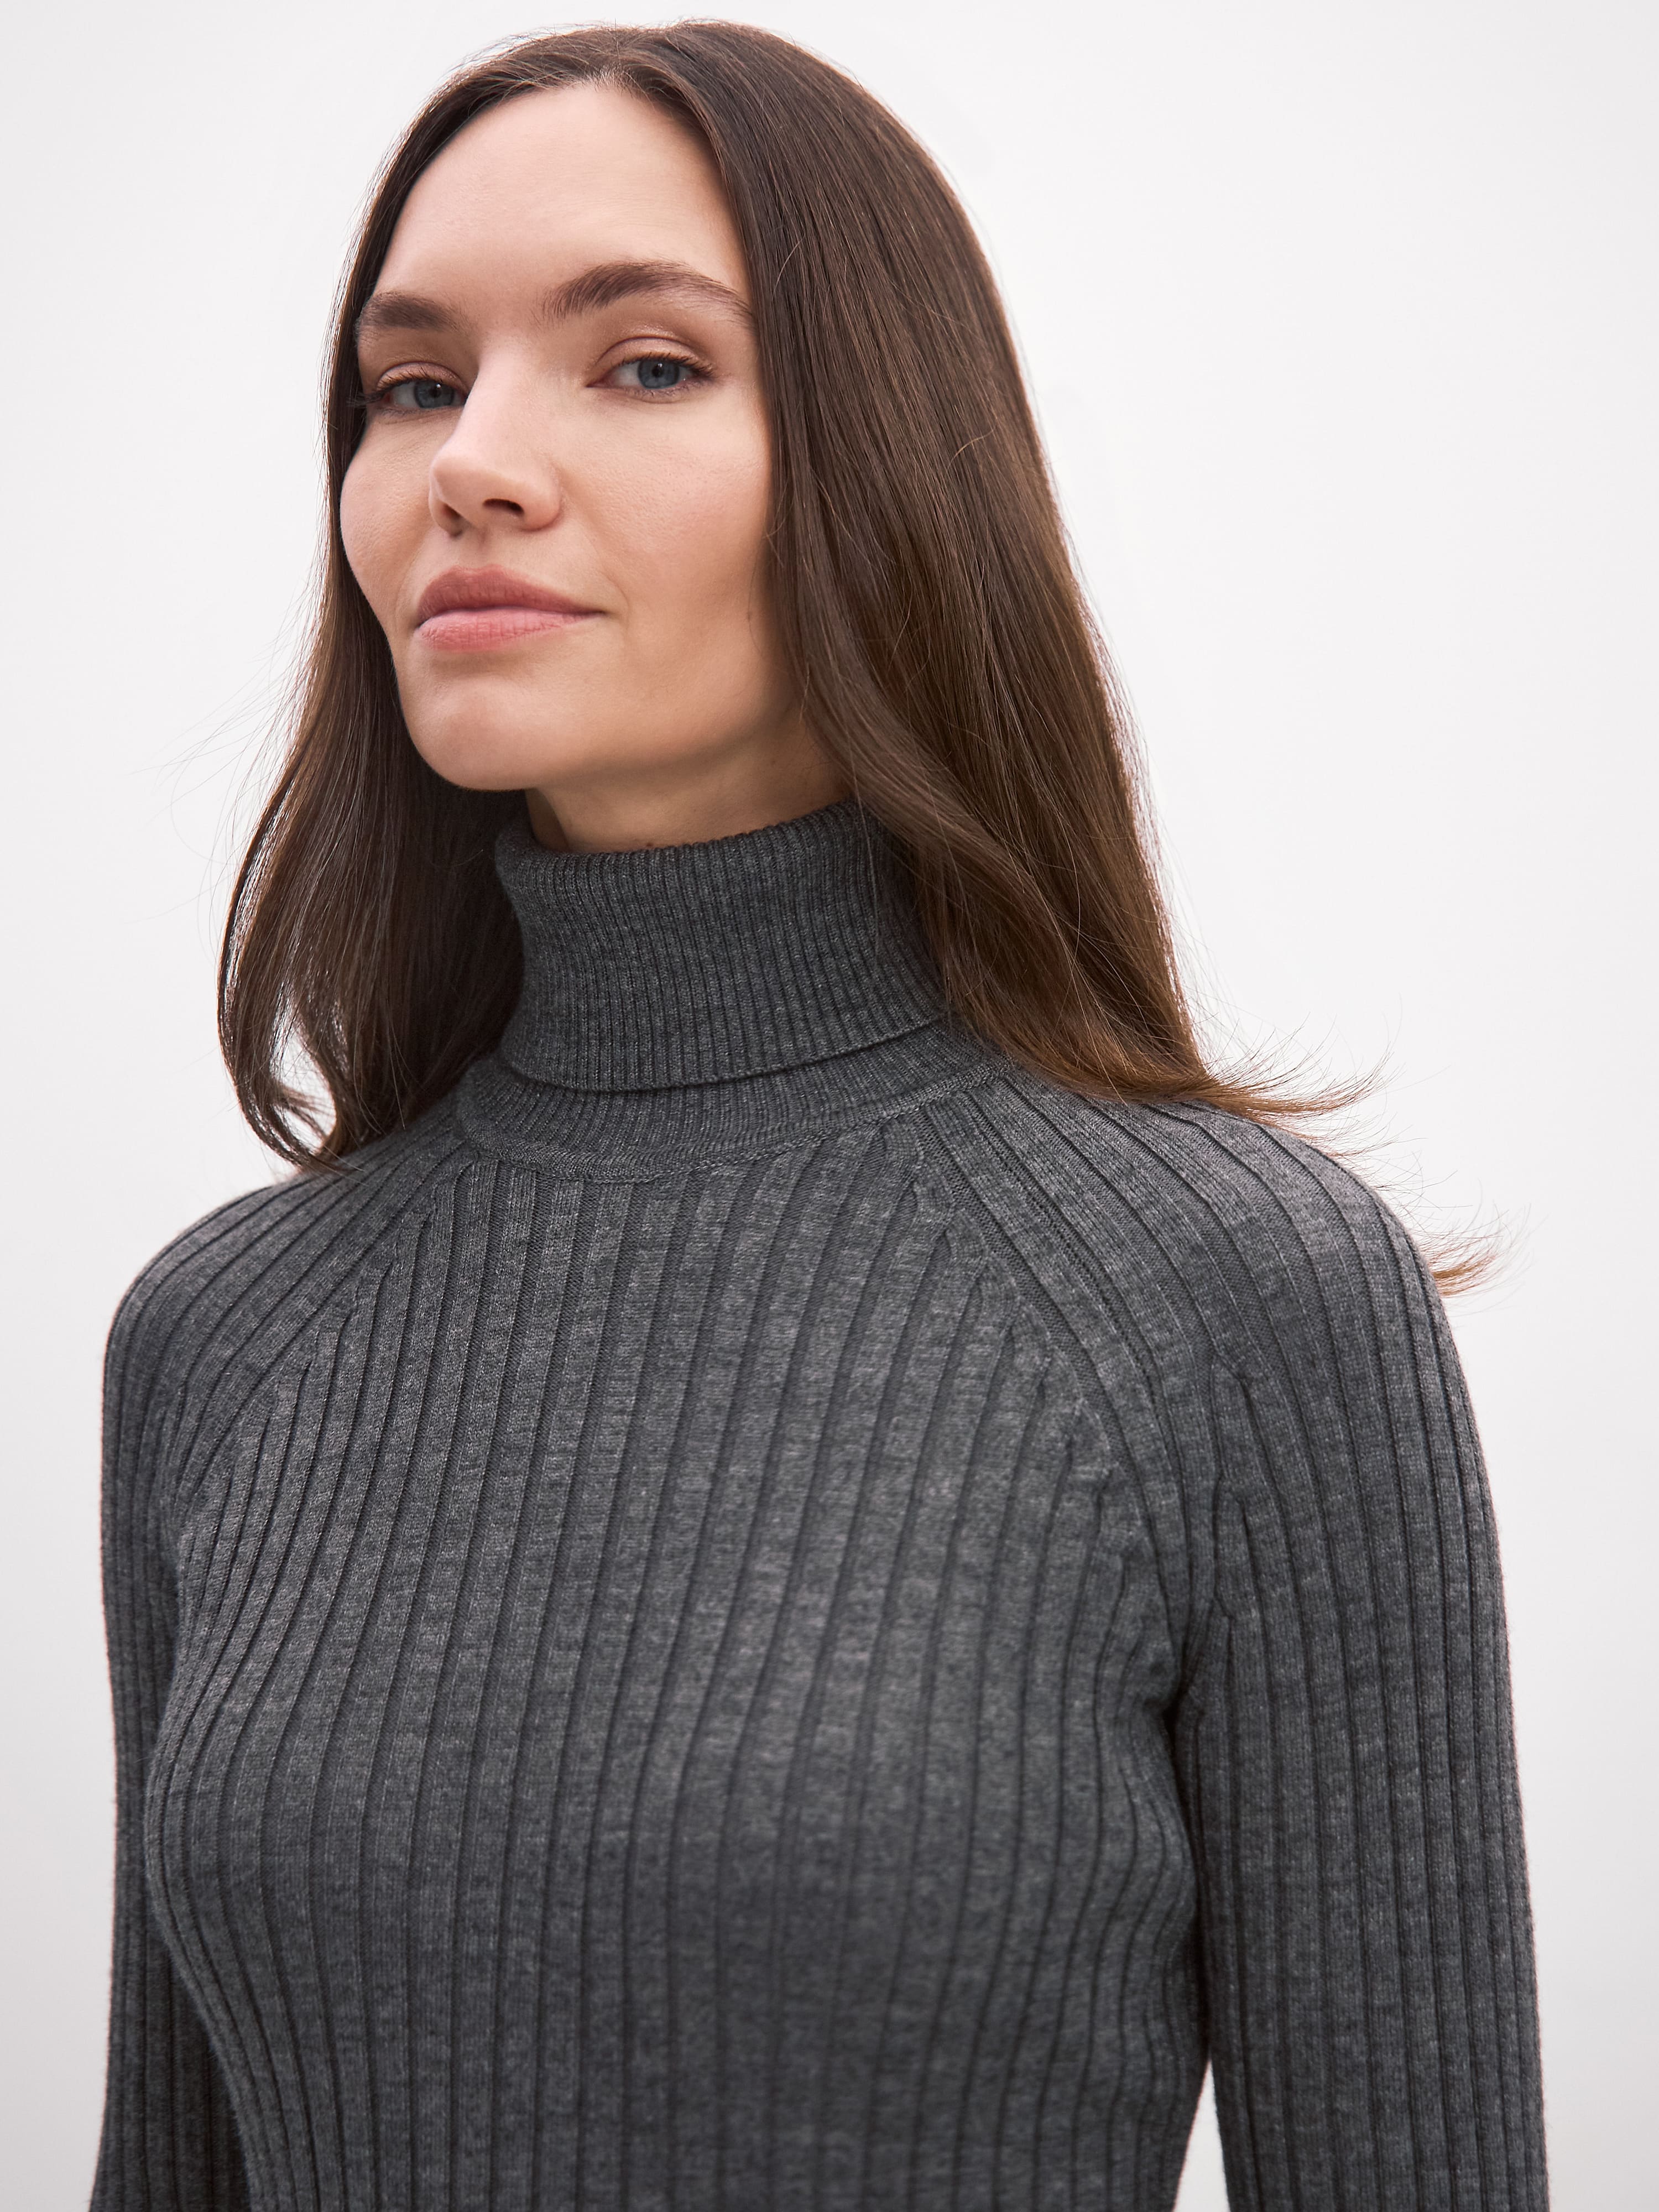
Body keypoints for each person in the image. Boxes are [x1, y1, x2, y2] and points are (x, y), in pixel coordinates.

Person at [92, 22, 1547, 2210]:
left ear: (888, 467)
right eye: (410, 384)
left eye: (645, 363)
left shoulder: (1238, 1298)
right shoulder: (222, 1341)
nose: (470, 464)